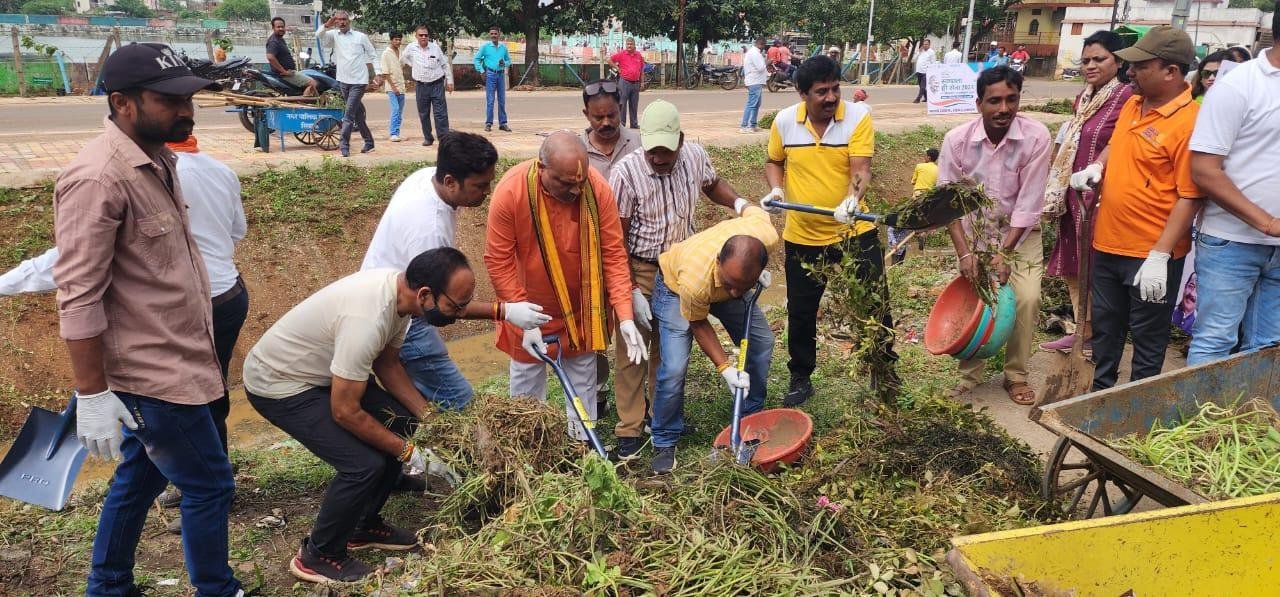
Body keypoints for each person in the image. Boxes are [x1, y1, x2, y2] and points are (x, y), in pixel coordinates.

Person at [53, 43, 244, 596]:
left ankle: (108, 585)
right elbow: (79, 294)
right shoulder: (97, 179)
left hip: (185, 354)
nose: (185, 111)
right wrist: (91, 394)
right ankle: (216, 588)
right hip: (154, 372)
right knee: (210, 485)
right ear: (123, 103)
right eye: (169, 100)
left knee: (140, 477)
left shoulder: (158, 158)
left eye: (189, 99)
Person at [3, 133, 249, 534]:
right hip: (228, 296)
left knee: (171, 404)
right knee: (209, 393)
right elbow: (236, 232)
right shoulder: (221, 171)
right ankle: (200, 476)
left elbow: (66, 265)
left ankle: (200, 483)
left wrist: (6, 283)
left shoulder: (130, 179)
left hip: (175, 310)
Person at [244, 249, 470, 583]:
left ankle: (363, 525)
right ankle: (319, 555)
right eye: (454, 306)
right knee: (363, 465)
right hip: (280, 383)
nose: (457, 314)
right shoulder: (367, 319)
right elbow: (345, 411)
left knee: (403, 423)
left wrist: (430, 419)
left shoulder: (402, 300)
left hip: (328, 375)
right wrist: (410, 453)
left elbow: (387, 364)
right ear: (425, 294)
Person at [609, 100, 758, 462]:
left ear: (681, 140)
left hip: (681, 270)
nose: (658, 158)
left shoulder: (693, 156)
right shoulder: (626, 173)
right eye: (652, 151)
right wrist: (629, 289)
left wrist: (740, 204)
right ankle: (630, 429)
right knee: (633, 349)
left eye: (666, 150)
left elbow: (713, 184)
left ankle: (660, 416)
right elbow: (614, 240)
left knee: (669, 349)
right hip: (640, 267)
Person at [361, 132, 548, 410]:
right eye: (480, 186)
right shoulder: (428, 230)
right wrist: (506, 312)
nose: (487, 193)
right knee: (461, 403)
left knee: (421, 396)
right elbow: (443, 308)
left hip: (389, 293)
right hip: (403, 317)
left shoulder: (426, 177)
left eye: (489, 183)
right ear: (450, 181)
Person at [484, 132, 644, 441]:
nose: (575, 190)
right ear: (541, 167)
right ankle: (529, 453)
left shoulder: (595, 189)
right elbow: (498, 260)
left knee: (583, 382)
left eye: (580, 183)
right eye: (566, 183)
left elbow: (613, 254)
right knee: (526, 392)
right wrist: (519, 313)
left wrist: (624, 314)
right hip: (528, 309)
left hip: (580, 310)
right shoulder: (511, 191)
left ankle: (582, 450)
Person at [760, 55, 898, 406]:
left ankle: (884, 369)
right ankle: (800, 377)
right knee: (801, 312)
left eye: (836, 88)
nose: (832, 97)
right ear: (802, 93)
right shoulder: (785, 121)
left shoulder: (857, 116)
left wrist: (852, 199)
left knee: (875, 303)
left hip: (854, 232)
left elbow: (862, 168)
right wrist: (777, 189)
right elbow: (774, 161)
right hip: (802, 235)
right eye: (822, 91)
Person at [1071, 26, 1201, 390]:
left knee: (1147, 336)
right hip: (1107, 242)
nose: (1130, 73)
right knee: (1106, 326)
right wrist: (1098, 165)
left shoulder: (1189, 123)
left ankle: (1138, 407)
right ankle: (1099, 394)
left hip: (1150, 253)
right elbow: (1116, 143)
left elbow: (1190, 195)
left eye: (1141, 66)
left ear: (1170, 72)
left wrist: (1160, 255)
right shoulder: (1133, 102)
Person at [938, 66, 1051, 406]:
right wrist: (964, 254)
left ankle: (1015, 375)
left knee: (1026, 298)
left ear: (1019, 99)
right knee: (978, 300)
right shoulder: (957, 141)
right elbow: (948, 203)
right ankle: (969, 374)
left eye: (1011, 100)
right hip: (975, 236)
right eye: (994, 101)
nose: (1003, 109)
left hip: (1021, 234)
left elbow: (1030, 204)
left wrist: (1005, 253)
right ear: (979, 103)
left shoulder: (1036, 137)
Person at [649, 206, 778, 473]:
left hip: (730, 278)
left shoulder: (766, 235)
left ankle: (748, 416)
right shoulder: (695, 281)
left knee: (762, 341)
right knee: (674, 366)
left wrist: (749, 284)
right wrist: (726, 368)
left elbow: (754, 210)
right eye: (729, 282)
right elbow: (698, 323)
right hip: (675, 289)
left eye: (741, 287)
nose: (733, 292)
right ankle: (664, 439)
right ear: (719, 261)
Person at [1187, 11, 1280, 366]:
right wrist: (1268, 223)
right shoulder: (1238, 85)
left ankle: (1251, 421)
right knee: (1215, 341)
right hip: (1232, 242)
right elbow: (1204, 170)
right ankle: (1202, 421)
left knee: (1269, 347)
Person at [1040, 31, 1134, 355]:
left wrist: (1096, 167)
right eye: (1086, 60)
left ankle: (1104, 333)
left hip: (1102, 194)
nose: (1091, 65)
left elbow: (1118, 141)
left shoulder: (1127, 97)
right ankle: (1084, 328)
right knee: (1073, 260)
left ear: (1118, 61)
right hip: (1073, 191)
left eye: (1099, 59)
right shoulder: (1083, 98)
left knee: (1096, 264)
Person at [319, 10, 383, 157]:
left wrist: (378, 73)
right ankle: (369, 143)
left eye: (344, 19)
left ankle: (344, 146)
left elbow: (373, 54)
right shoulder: (334, 35)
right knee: (358, 114)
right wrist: (327, 25)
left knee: (348, 115)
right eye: (339, 20)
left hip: (359, 81)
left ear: (349, 21)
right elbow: (319, 35)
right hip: (343, 81)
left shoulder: (360, 37)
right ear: (336, 21)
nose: (341, 22)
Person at [401, 25, 455, 147]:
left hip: (437, 84)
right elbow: (404, 58)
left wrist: (450, 81)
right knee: (423, 113)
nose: (424, 37)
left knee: (440, 113)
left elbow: (445, 64)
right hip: (421, 86)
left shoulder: (435, 48)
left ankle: (444, 139)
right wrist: (413, 65)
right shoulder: (411, 48)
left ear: (428, 36)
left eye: (426, 35)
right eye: (421, 35)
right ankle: (428, 138)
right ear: (416, 36)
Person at [581, 81, 642, 177]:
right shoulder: (577, 151)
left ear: (620, 109)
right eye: (599, 118)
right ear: (587, 114)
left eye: (611, 115)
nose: (606, 123)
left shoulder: (639, 145)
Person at [889, 147, 940, 264]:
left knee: (913, 215)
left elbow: (913, 181)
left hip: (917, 196)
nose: (924, 157)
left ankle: (917, 232)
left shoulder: (920, 166)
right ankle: (923, 233)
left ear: (928, 157)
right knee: (928, 218)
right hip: (929, 197)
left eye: (925, 155)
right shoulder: (938, 170)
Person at [265, 17, 316, 96]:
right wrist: (284, 71)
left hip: (289, 72)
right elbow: (270, 57)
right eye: (278, 27)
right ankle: (305, 103)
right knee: (313, 83)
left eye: (282, 26)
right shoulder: (273, 41)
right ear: (273, 28)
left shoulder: (279, 39)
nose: (281, 28)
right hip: (285, 75)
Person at [475, 27, 512, 132]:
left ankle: (503, 123)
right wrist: (481, 70)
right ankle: (488, 123)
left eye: (495, 33)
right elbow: (476, 59)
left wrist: (505, 63)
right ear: (489, 34)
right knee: (490, 100)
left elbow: (509, 60)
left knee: (502, 100)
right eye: (491, 34)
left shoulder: (503, 48)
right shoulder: (485, 47)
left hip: (500, 75)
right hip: (490, 74)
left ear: (499, 34)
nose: (493, 35)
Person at [609, 37, 645, 129]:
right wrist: (618, 69)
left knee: (634, 104)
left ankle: (634, 123)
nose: (629, 46)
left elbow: (641, 70)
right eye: (628, 44)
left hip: (636, 83)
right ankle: (622, 124)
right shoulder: (621, 54)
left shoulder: (639, 56)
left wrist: (642, 83)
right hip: (624, 82)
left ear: (634, 45)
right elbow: (610, 60)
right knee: (622, 104)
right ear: (626, 45)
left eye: (631, 44)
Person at [381, 32, 407, 143]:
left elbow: (402, 67)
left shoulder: (400, 52)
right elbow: (385, 73)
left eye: (399, 39)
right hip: (392, 88)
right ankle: (393, 133)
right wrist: (394, 87)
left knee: (399, 111)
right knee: (395, 109)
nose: (398, 42)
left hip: (401, 86)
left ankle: (397, 132)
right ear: (391, 40)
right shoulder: (386, 53)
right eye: (396, 39)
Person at [740, 37, 768, 133]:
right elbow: (760, 67)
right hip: (754, 81)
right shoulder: (755, 53)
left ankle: (752, 124)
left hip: (755, 81)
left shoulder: (752, 52)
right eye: (764, 45)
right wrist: (768, 62)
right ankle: (745, 126)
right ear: (761, 44)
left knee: (756, 104)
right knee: (752, 104)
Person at [913, 39, 936, 104]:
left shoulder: (931, 52)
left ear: (929, 45)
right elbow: (914, 59)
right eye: (924, 44)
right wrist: (918, 52)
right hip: (919, 71)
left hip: (926, 72)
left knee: (923, 86)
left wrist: (931, 71)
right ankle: (926, 98)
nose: (924, 45)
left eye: (926, 44)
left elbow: (933, 62)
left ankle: (918, 98)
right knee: (921, 86)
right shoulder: (921, 51)